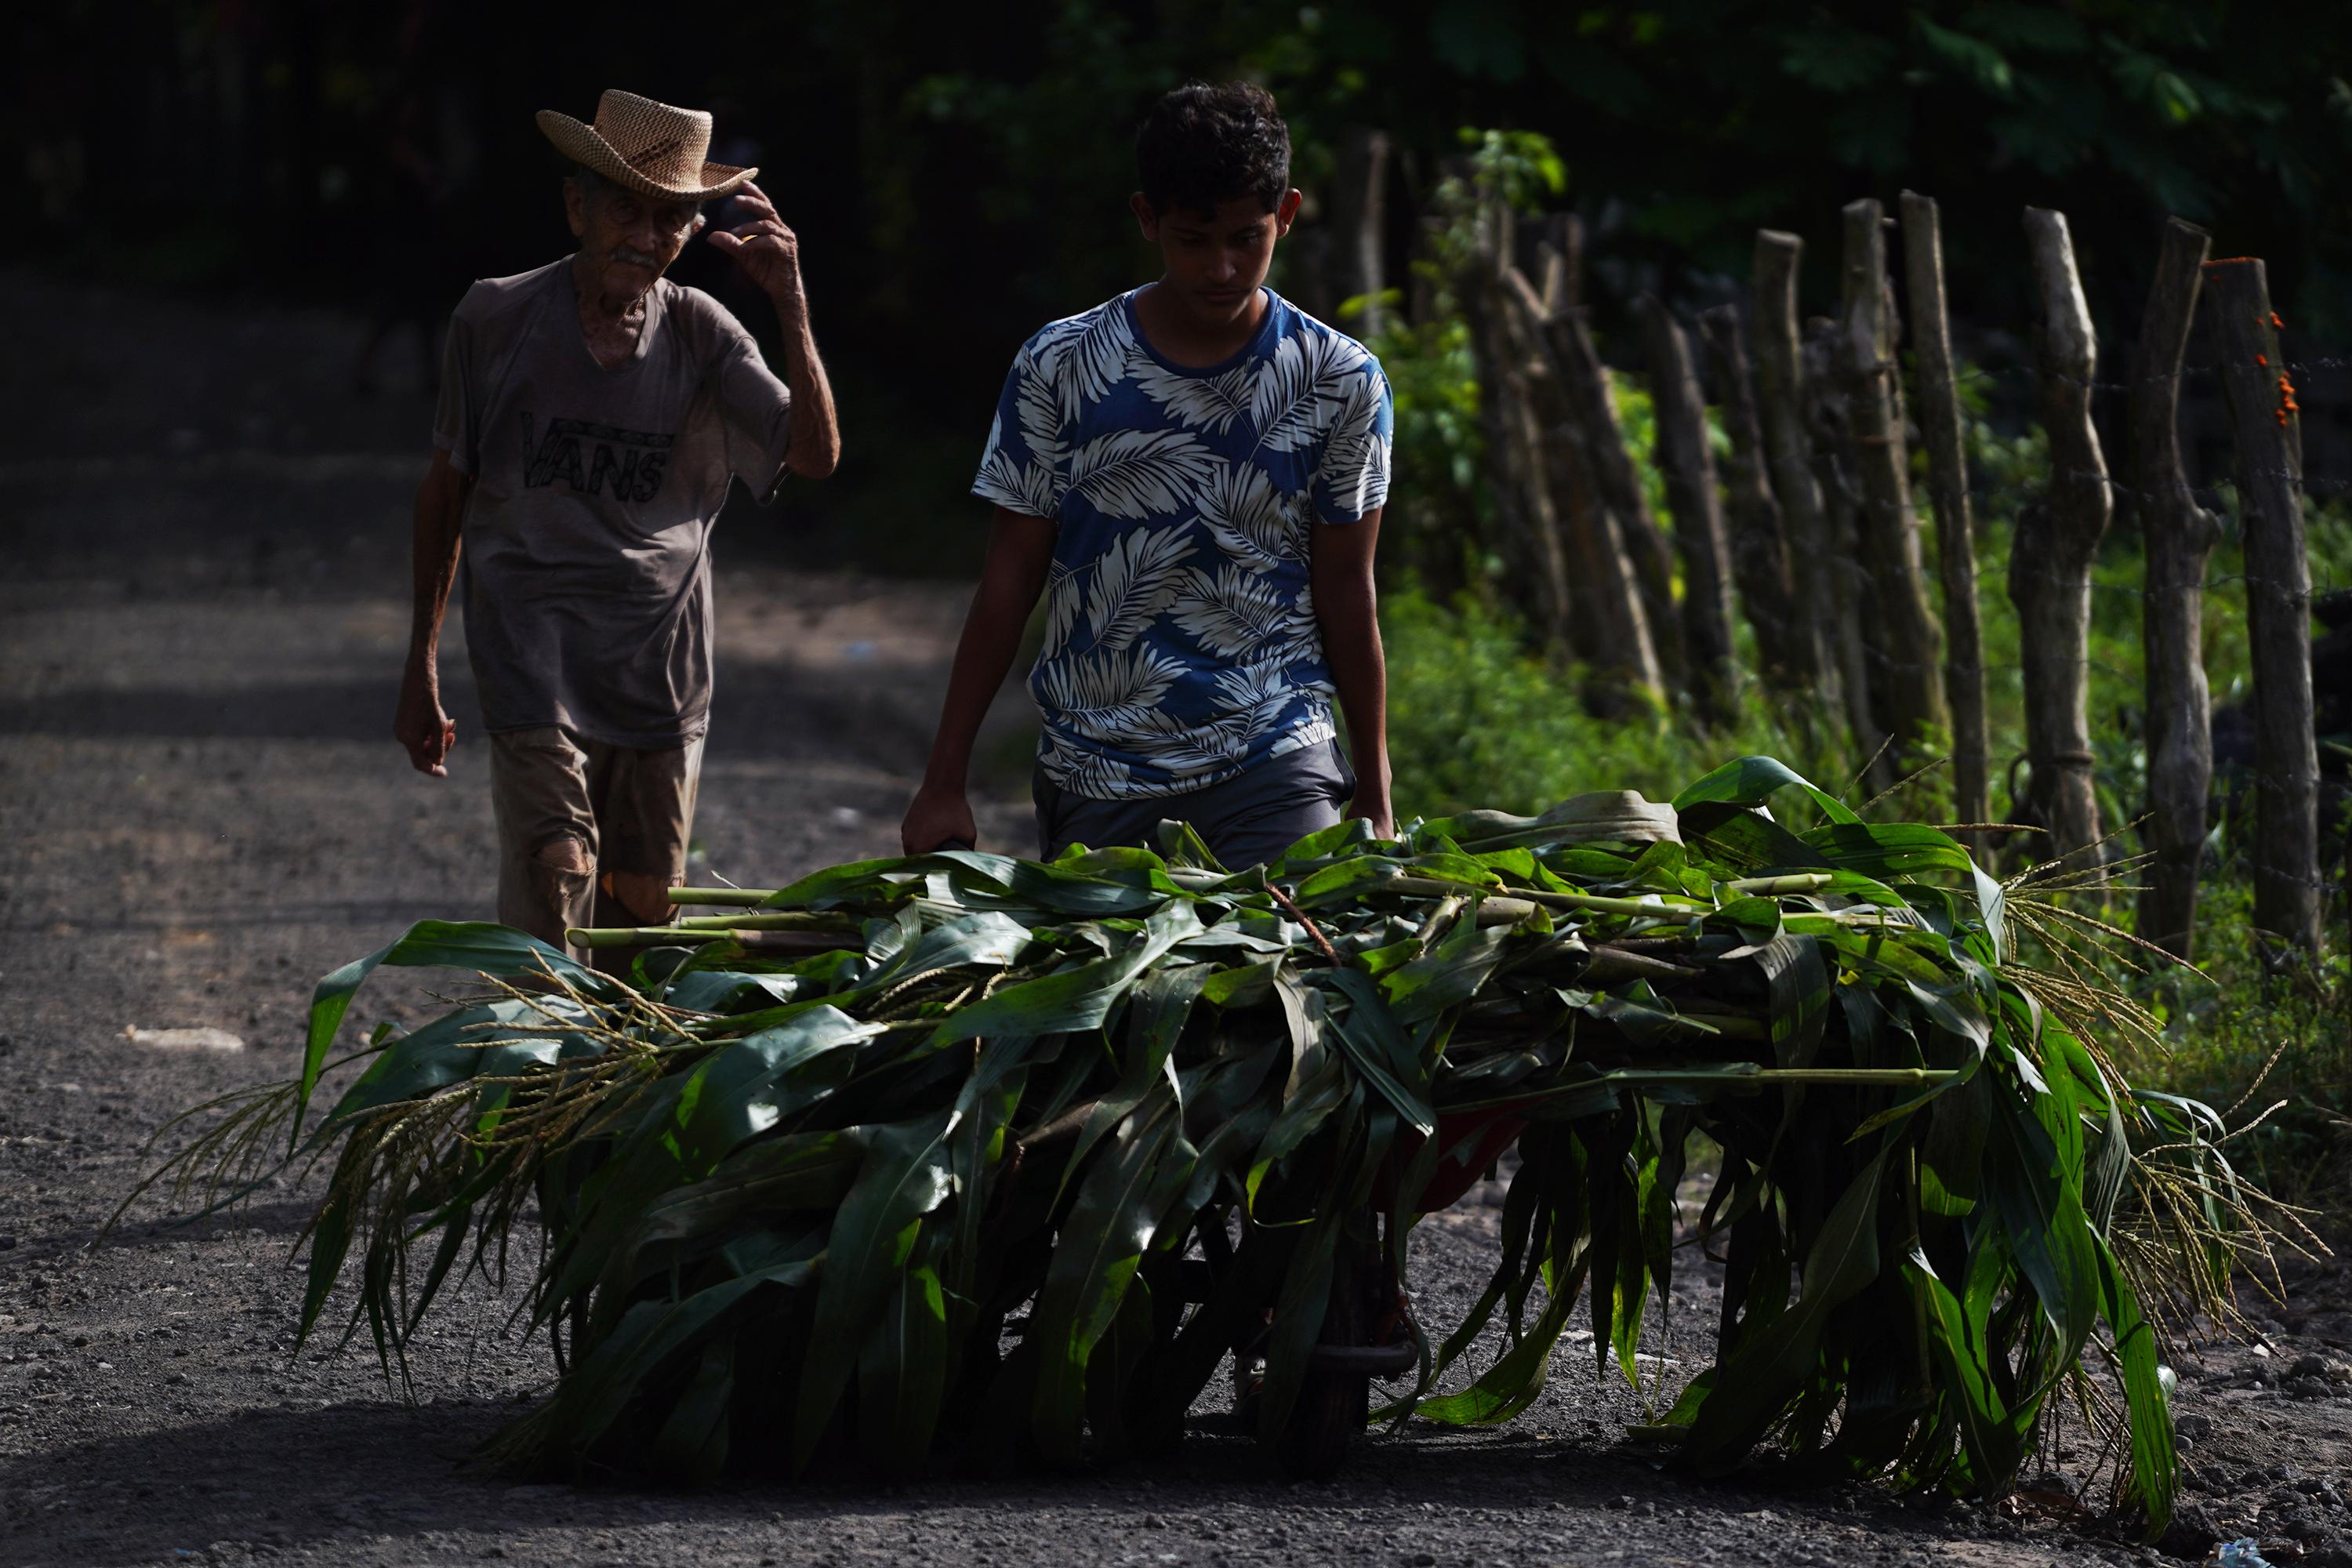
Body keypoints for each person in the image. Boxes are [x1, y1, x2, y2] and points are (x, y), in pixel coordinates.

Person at [394, 89, 840, 961]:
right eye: (626, 209)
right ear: (576, 206)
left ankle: (596, 1095)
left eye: (671, 219)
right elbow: (445, 490)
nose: (646, 236)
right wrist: (421, 665)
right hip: (532, 652)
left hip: (659, 668)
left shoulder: (703, 333)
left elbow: (815, 456)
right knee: (557, 867)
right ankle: (534, 1082)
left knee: (642, 910)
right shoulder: (495, 319)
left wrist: (791, 303)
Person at [900, 81, 1394, 868]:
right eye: (1195, 239)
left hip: (1277, 756)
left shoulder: (1338, 381)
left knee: (1286, 984)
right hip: (1100, 770)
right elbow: (1010, 576)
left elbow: (1346, 585)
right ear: (1148, 219)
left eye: (1247, 236)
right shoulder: (1063, 366)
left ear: (1288, 216)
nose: (1223, 267)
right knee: (1127, 989)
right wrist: (943, 779)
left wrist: (1374, 791)